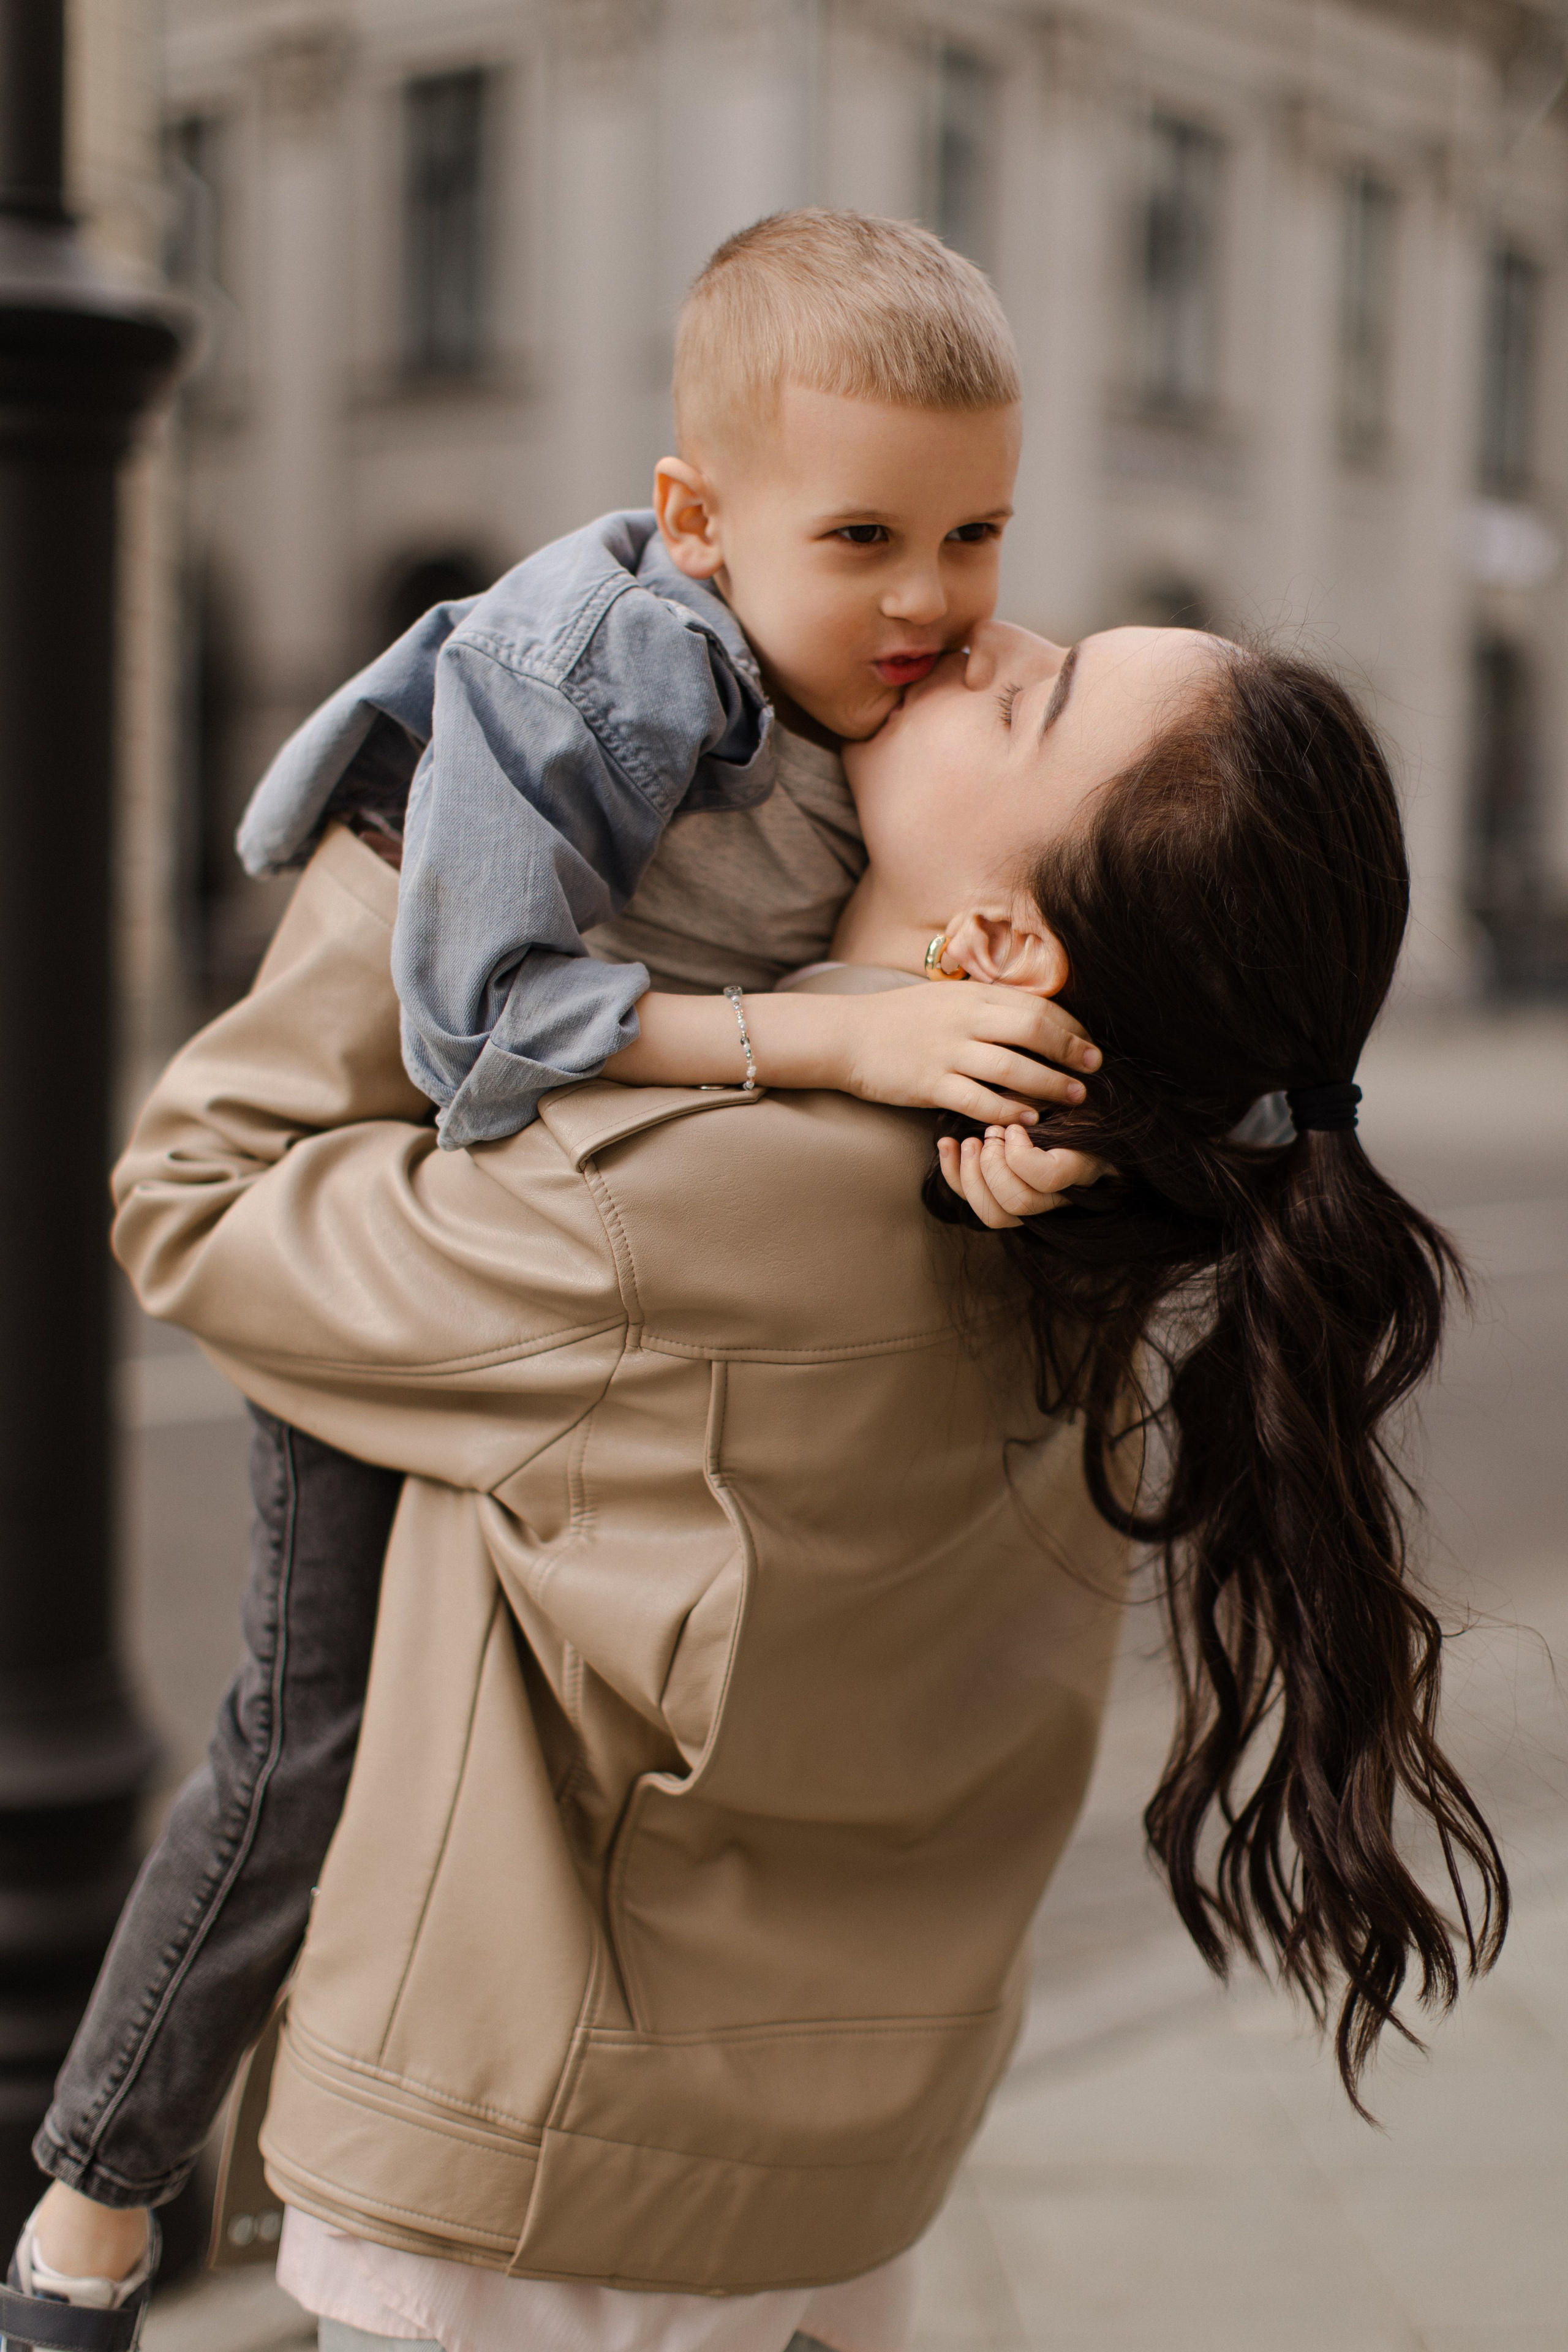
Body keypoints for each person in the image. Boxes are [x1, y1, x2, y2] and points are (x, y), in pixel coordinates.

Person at [15, 622, 1506, 2352]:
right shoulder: (1089, 1223)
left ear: (1004, 941)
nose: (983, 635)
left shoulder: (685, 1202)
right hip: (841, 2181)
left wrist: (407, 849)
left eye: (1030, 695)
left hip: (539, 2227)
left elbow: (194, 1195)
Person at [15, 210, 1108, 2331]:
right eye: (871, 533)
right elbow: (479, 1028)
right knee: (302, 1743)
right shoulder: (601, 681)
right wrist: (828, 1034)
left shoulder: (852, 672)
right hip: (437, 1199)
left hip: (537, 1263)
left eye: (979, 533)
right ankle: (91, 2204)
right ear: (695, 519)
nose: (943, 606)